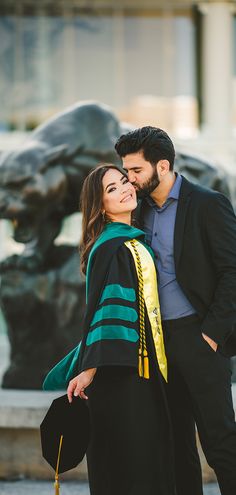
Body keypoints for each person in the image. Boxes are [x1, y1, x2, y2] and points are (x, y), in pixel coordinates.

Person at [115, 126, 236, 495]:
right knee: (175, 444)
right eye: (126, 172)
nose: (129, 180)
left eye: (135, 171)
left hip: (198, 337)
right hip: (154, 344)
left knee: (220, 442)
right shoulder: (136, 211)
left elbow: (233, 271)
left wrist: (212, 335)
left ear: (162, 165)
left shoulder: (207, 203)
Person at [67, 164, 176, 495]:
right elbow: (110, 310)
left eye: (125, 181)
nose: (125, 188)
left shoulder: (132, 241)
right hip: (121, 373)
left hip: (138, 366)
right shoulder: (113, 246)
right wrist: (89, 368)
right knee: (130, 464)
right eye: (111, 189)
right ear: (101, 206)